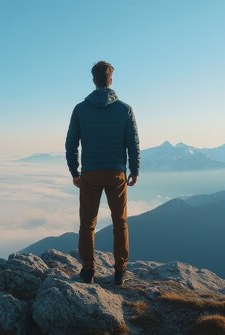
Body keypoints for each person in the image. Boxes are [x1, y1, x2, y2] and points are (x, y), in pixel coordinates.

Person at [65, 61, 140, 285]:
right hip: (116, 173)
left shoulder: (80, 109)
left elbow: (71, 144)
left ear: (93, 80)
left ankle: (88, 271)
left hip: (89, 174)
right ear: (111, 79)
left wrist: (74, 171)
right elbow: (133, 143)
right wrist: (134, 170)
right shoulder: (125, 109)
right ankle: (120, 272)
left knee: (87, 224)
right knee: (120, 222)